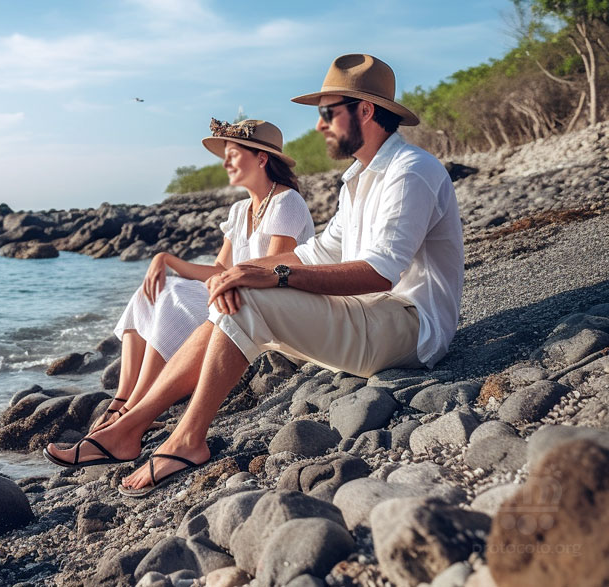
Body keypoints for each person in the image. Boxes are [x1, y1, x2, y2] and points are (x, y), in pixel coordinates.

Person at [46, 54, 464, 498]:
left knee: (244, 298)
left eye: (328, 113)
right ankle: (128, 427)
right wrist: (244, 270)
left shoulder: (411, 171)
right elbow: (320, 251)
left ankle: (186, 441)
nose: (320, 126)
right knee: (234, 290)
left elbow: (380, 273)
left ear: (364, 111)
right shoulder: (357, 179)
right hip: (362, 319)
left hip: (408, 329)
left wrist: (275, 276)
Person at [85, 118, 315, 434]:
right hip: (240, 292)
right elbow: (221, 270)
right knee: (153, 289)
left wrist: (220, 281)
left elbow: (269, 269)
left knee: (174, 295)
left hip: (269, 305)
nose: (226, 162)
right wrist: (165, 259)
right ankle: (122, 398)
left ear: (261, 158)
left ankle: (137, 407)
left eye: (234, 154)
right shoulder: (240, 210)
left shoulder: (286, 201)